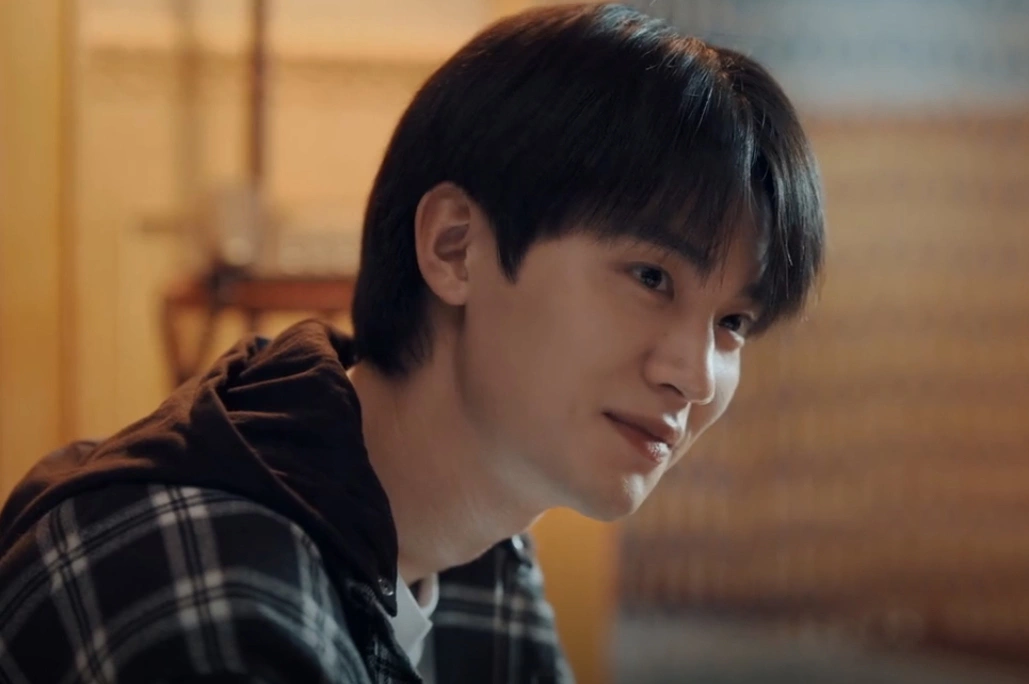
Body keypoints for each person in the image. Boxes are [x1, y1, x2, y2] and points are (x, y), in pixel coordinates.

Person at [0, 3, 823, 683]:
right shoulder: (212, 598)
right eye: (650, 277)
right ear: (455, 248)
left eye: (732, 324)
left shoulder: (477, 546)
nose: (695, 376)